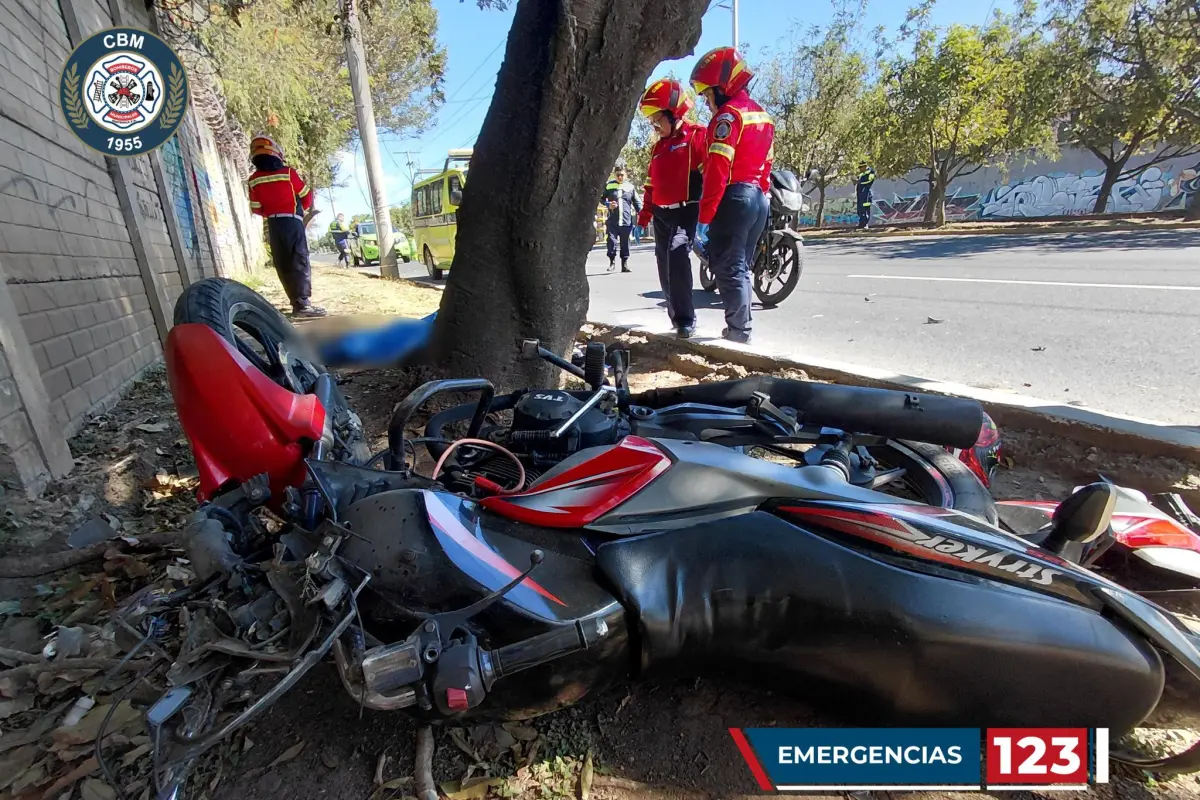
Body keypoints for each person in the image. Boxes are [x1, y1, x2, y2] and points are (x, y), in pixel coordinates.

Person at [690, 47, 774, 344]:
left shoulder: (728, 117)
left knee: (729, 265)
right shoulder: (764, 117)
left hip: (735, 196)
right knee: (741, 264)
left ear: (721, 88)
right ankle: (739, 327)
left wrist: (704, 215)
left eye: (706, 93)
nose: (706, 100)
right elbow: (767, 166)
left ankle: (739, 331)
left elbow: (718, 169)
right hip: (758, 198)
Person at [636, 78, 708, 339]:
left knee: (678, 255)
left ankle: (686, 320)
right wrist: (644, 215)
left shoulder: (696, 137)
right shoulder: (657, 148)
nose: (655, 127)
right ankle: (676, 318)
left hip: (685, 211)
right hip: (660, 215)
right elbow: (650, 185)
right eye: (653, 122)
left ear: (674, 114)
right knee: (664, 265)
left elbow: (708, 174)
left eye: (659, 120)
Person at [248, 136, 325, 317]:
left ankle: (296, 304)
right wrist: (299, 210)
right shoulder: (289, 173)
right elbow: (306, 196)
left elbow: (256, 208)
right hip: (292, 222)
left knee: (282, 263)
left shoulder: (253, 180)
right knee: (299, 260)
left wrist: (272, 211)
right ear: (277, 154)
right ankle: (304, 305)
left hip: (274, 224)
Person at [602, 165, 641, 273]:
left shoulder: (630, 187)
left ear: (626, 175)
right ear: (615, 175)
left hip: (626, 221)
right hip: (612, 221)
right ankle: (612, 262)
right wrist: (608, 204)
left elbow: (637, 203)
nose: (620, 177)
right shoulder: (609, 186)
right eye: (618, 175)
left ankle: (624, 264)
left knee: (625, 243)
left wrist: (642, 214)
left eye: (622, 175)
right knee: (611, 242)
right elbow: (601, 199)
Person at [856, 161, 876, 229]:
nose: (860, 169)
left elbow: (869, 180)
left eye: (861, 167)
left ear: (864, 166)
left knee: (866, 209)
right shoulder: (861, 174)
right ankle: (861, 224)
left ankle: (865, 224)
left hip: (866, 194)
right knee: (860, 209)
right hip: (860, 194)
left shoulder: (871, 172)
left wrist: (860, 182)